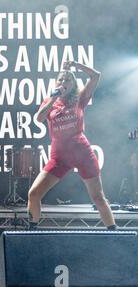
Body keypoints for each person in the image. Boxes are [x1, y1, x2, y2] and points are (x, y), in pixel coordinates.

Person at [27, 60, 117, 230]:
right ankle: (31, 232)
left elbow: (96, 75)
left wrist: (76, 65)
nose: (63, 83)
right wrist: (53, 98)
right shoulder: (50, 101)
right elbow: (39, 118)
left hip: (82, 152)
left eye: (67, 80)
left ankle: (114, 232)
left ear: (73, 84)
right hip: (59, 156)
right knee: (34, 193)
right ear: (55, 83)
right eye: (60, 80)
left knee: (98, 197)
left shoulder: (79, 98)